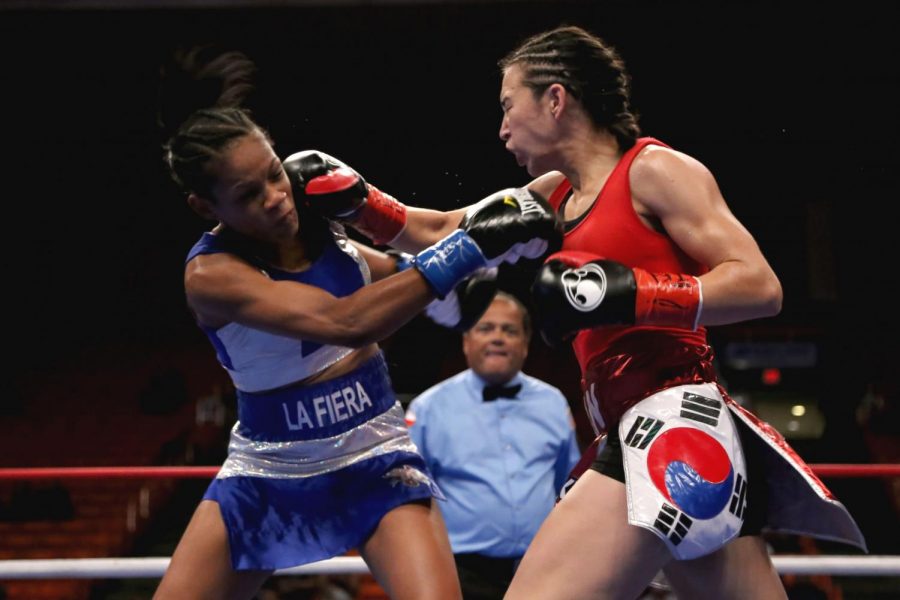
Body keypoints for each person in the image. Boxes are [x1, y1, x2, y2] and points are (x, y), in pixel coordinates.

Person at [304, 25, 866, 600]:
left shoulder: (655, 170)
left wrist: (632, 292)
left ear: (555, 99)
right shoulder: (554, 194)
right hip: (661, 437)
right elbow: (444, 231)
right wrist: (358, 200)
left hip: (669, 421)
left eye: (507, 106)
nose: (501, 129)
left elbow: (759, 284)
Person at [152, 47, 561, 600]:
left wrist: (553, 193)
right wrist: (468, 253)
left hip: (374, 450)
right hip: (268, 466)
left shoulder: (315, 202)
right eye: (249, 195)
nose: (276, 200)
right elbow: (345, 320)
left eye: (274, 174)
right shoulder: (211, 275)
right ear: (206, 207)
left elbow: (413, 248)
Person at [405, 293, 581, 600]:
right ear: (466, 341)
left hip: (542, 568)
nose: (498, 337)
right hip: (461, 572)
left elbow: (568, 488)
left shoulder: (553, 403)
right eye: (486, 328)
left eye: (509, 330)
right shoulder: (428, 408)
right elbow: (412, 499)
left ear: (526, 344)